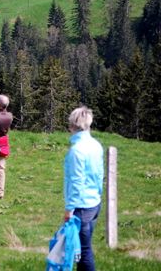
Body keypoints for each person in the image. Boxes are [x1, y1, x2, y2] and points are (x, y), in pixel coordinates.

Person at [63, 106, 104, 271]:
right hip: (94, 203)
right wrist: (98, 194)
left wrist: (69, 209)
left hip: (81, 207)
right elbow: (100, 174)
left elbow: (76, 182)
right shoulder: (96, 145)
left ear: (72, 125)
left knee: (83, 251)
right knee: (82, 248)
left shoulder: (76, 151)